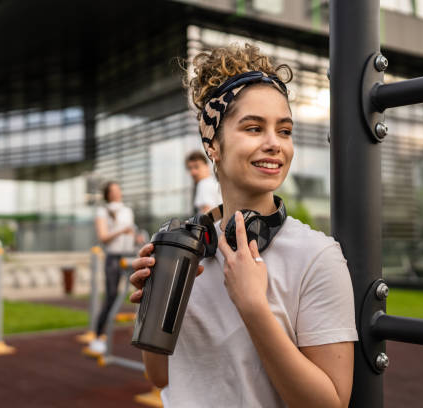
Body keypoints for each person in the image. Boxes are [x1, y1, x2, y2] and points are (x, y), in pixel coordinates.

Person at [129, 43, 358, 407]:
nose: (274, 144)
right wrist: (151, 309)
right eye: (254, 128)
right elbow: (160, 376)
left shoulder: (317, 256)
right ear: (213, 144)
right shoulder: (182, 249)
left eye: (284, 131)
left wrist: (252, 306)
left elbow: (329, 404)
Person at [86, 181, 138, 355]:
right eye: (113, 191)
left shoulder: (127, 210)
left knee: (139, 294)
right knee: (111, 296)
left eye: (118, 189)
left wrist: (135, 237)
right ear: (107, 194)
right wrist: (121, 231)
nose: (117, 193)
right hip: (113, 258)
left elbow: (131, 233)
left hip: (129, 255)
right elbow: (103, 237)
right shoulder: (103, 211)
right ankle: (98, 337)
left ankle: (139, 332)